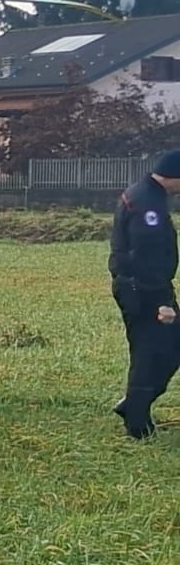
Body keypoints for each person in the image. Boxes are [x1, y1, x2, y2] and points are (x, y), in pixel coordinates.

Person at [108, 149, 180, 439]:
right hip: (143, 290)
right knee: (149, 351)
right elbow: (148, 256)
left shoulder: (146, 194)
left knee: (171, 345)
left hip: (145, 286)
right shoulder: (148, 205)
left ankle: (135, 404)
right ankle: (137, 423)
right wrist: (163, 301)